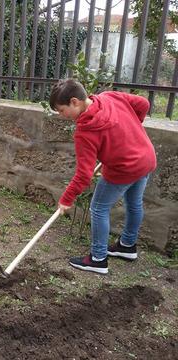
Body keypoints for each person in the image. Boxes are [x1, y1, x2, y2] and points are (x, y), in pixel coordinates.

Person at [49, 79, 156, 274]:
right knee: (134, 203)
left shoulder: (85, 131)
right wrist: (133, 127)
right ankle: (127, 246)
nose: (61, 115)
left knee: (98, 208)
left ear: (75, 102)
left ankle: (98, 259)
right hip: (146, 158)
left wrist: (67, 199)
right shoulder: (109, 97)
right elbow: (143, 104)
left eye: (61, 110)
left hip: (124, 168)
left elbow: (84, 175)